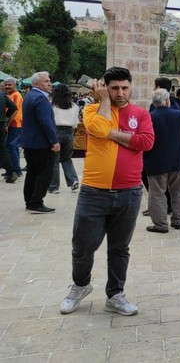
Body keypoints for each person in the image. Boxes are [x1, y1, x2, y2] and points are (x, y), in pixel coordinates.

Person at [60, 67, 155, 316]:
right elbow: (98, 129)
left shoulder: (141, 114)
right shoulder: (92, 109)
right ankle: (80, 285)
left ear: (130, 87)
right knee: (83, 246)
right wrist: (103, 102)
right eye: (114, 88)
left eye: (124, 88)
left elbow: (146, 142)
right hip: (94, 192)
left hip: (130, 192)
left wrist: (112, 135)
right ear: (104, 89)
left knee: (119, 248)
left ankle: (115, 294)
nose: (120, 93)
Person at [144, 89, 180, 232]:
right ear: (168, 100)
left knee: (157, 193)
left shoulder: (149, 117)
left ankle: (160, 224)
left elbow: (146, 142)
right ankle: (178, 221)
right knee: (178, 192)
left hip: (156, 161)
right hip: (177, 160)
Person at [21, 72, 60, 213]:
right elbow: (45, 122)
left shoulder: (29, 96)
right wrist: (54, 141)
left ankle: (29, 200)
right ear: (36, 84)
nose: (49, 83)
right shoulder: (40, 99)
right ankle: (37, 201)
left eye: (49, 81)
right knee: (44, 173)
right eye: (46, 81)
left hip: (29, 143)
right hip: (41, 144)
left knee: (32, 172)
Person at [49, 84, 81, 194]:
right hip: (69, 132)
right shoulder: (74, 106)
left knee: (54, 160)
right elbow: (76, 124)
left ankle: (54, 187)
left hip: (55, 131)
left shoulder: (51, 105)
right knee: (66, 158)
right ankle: (73, 180)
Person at [2, 78, 23, 179]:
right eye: (6, 85)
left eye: (9, 85)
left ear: (14, 85)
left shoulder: (15, 95)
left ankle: (16, 170)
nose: (7, 86)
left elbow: (14, 111)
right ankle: (13, 169)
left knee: (11, 147)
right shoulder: (9, 95)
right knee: (12, 147)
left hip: (15, 124)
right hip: (12, 124)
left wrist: (6, 124)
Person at [0, 87, 18, 183]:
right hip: (1, 123)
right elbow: (13, 107)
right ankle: (11, 172)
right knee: (2, 148)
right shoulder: (2, 94)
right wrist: (5, 117)